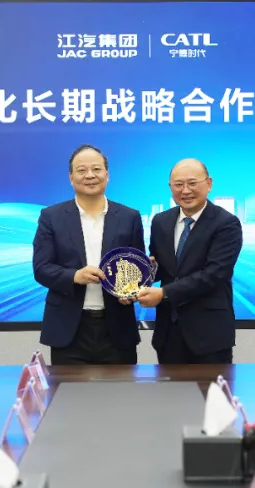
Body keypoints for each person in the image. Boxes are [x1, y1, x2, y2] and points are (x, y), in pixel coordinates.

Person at [32, 145, 144, 365]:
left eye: (96, 169)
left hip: (117, 327)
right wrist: (75, 276)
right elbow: (41, 268)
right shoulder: (51, 217)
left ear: (107, 175)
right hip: (69, 329)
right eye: (82, 170)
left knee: (121, 387)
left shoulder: (129, 217)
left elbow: (136, 267)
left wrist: (132, 290)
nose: (90, 175)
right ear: (71, 177)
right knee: (68, 388)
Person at [137, 159, 243, 364]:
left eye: (192, 183)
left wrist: (164, 293)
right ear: (170, 187)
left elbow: (214, 275)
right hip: (168, 332)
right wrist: (138, 278)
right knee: (168, 386)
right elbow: (161, 266)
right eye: (178, 184)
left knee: (212, 386)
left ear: (209, 184)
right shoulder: (160, 221)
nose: (185, 190)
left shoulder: (226, 224)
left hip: (209, 335)